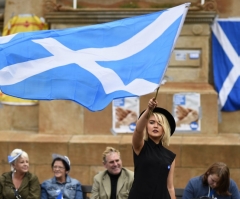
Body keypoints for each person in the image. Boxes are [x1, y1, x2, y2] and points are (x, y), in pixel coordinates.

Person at [128, 97, 176, 199]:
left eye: (159, 124)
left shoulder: (170, 156)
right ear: (146, 126)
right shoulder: (140, 147)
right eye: (151, 122)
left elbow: (170, 187)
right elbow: (138, 130)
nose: (155, 126)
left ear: (165, 128)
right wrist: (149, 110)